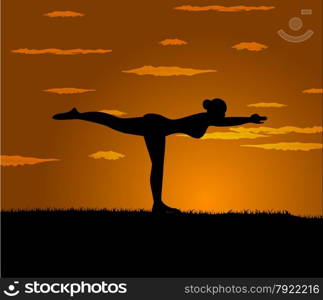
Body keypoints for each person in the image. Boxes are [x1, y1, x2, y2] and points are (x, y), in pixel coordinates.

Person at [53, 98, 267, 214]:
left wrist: (248, 118)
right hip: (156, 126)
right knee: (120, 127)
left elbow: (224, 122)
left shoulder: (205, 118)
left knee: (120, 126)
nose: (224, 115)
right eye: (223, 111)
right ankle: (78, 114)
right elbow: (226, 123)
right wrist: (248, 118)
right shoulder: (206, 118)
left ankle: (158, 204)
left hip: (159, 127)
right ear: (216, 112)